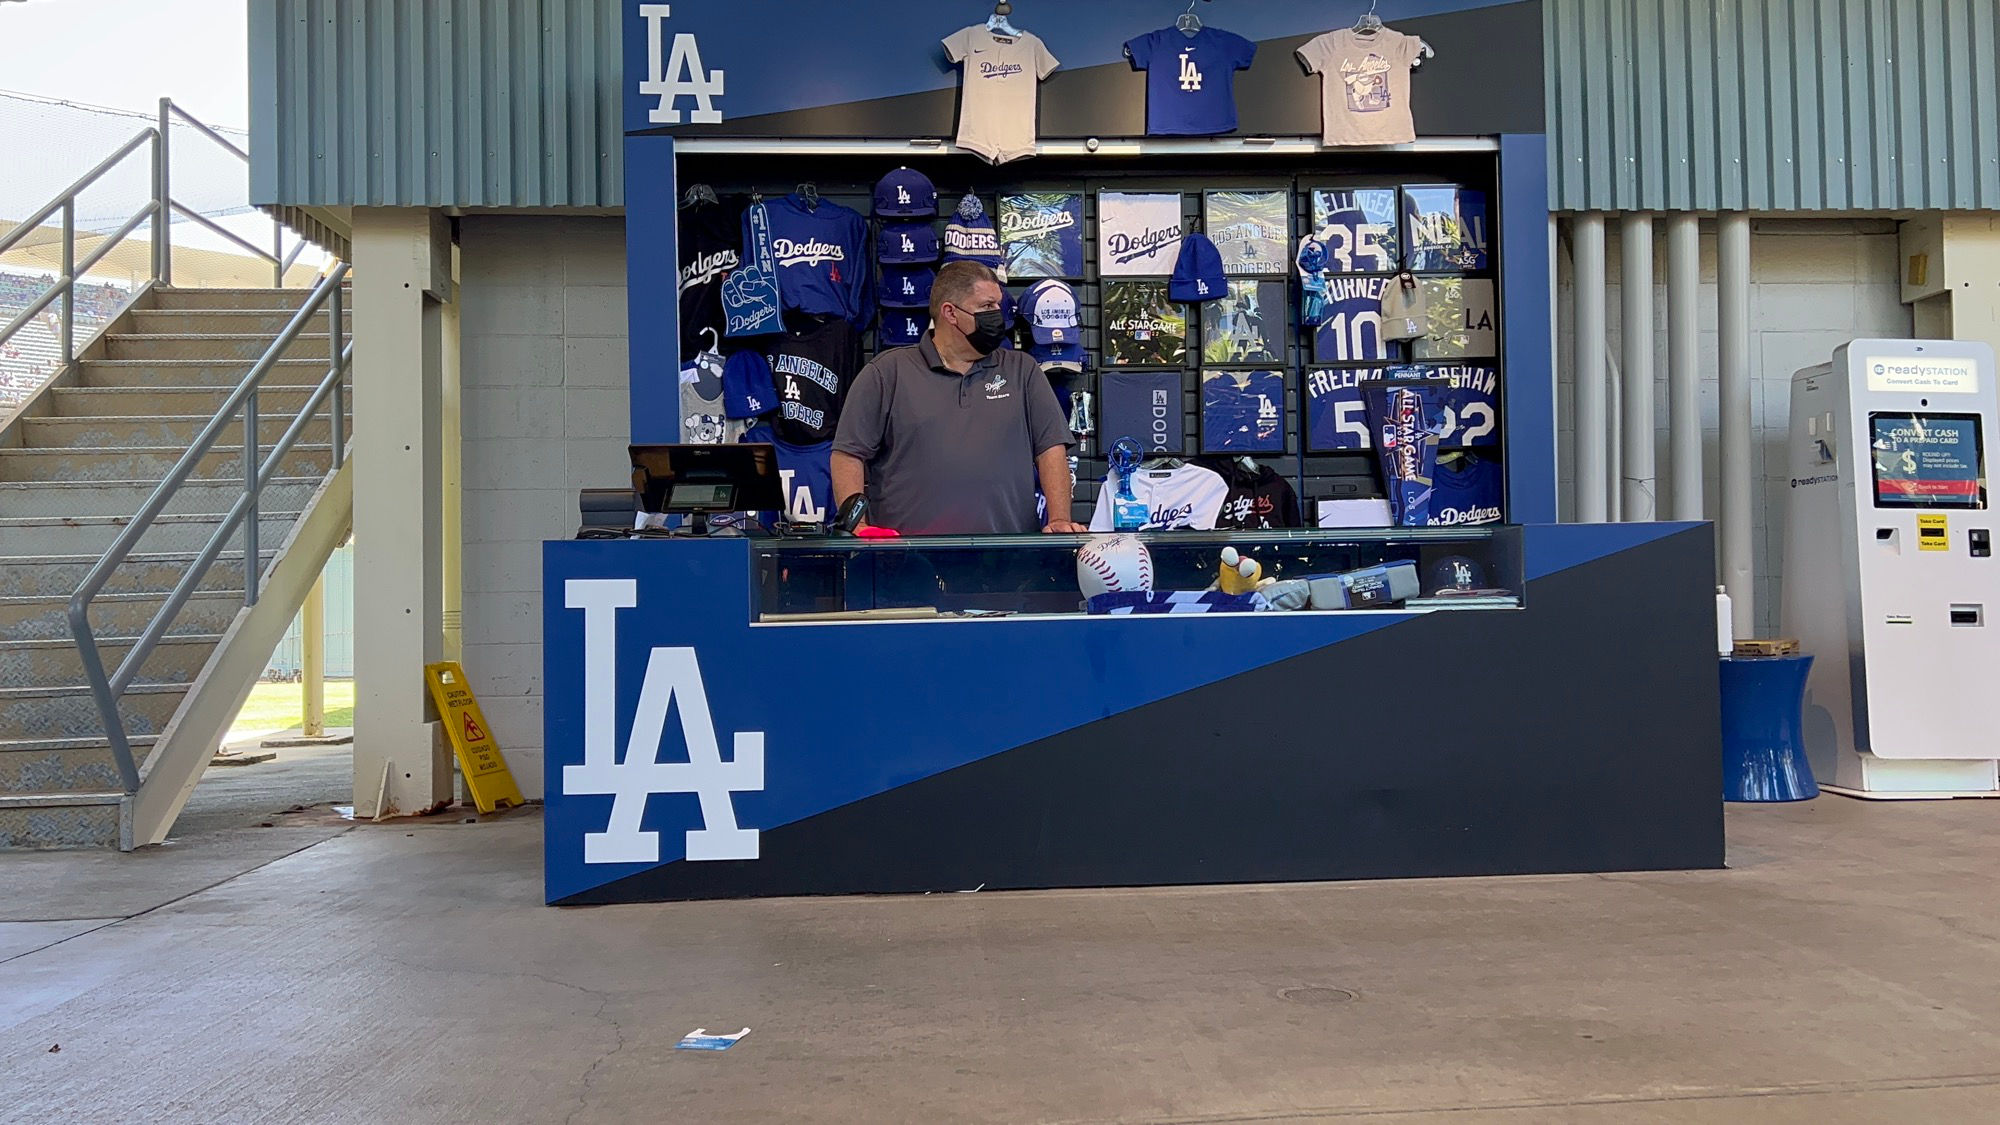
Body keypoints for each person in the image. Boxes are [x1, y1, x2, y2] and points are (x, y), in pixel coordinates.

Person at [833, 261, 1085, 534]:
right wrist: (857, 527)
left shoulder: (1022, 370)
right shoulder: (886, 373)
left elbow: (1050, 449)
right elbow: (848, 453)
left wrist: (1059, 519)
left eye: (998, 306)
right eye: (987, 306)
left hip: (1008, 559)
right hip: (908, 563)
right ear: (950, 313)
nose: (997, 315)